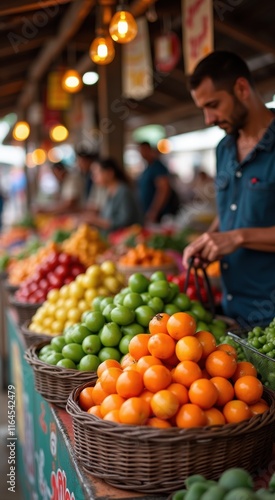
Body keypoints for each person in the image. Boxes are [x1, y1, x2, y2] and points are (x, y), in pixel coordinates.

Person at [182, 50, 275, 327]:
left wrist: (236, 238)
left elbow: (236, 231)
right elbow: (231, 210)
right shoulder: (223, 148)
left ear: (242, 88)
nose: (208, 119)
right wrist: (208, 238)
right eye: (203, 109)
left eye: (213, 105)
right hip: (231, 307)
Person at [79, 157, 143, 236]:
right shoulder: (109, 191)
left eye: (96, 173)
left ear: (110, 173)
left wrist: (94, 220)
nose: (93, 177)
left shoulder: (123, 192)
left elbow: (124, 222)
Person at [137, 141, 180, 223]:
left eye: (143, 150)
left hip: (160, 215)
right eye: (140, 151)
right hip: (149, 213)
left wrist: (154, 211)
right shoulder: (148, 168)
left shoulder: (157, 167)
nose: (142, 153)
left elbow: (163, 190)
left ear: (149, 150)